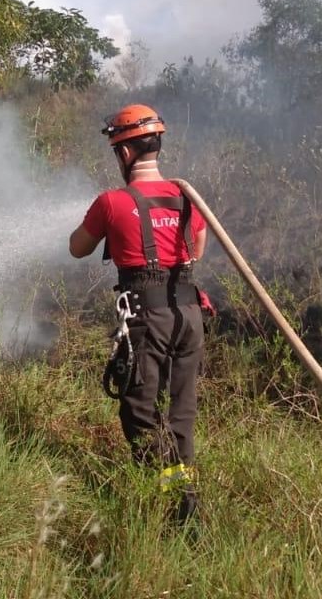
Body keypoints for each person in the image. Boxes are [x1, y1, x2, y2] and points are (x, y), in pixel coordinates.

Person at [69, 103, 208, 523]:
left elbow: (78, 248)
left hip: (147, 319)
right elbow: (196, 251)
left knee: (140, 409)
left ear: (124, 153)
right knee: (181, 408)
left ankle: (168, 502)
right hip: (188, 314)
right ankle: (185, 496)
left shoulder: (111, 202)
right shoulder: (187, 196)